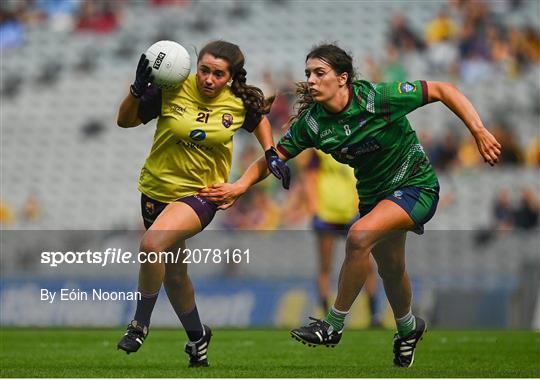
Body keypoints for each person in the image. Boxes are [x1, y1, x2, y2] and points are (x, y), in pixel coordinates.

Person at [198, 44, 501, 368]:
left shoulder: (376, 99)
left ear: (343, 78)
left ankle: (333, 324)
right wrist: (240, 185)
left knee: (358, 236)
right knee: (391, 269)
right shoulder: (313, 124)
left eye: (319, 73)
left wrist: (478, 130)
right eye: (308, 74)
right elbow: (275, 157)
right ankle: (408, 328)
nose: (311, 80)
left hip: (415, 185)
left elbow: (443, 89)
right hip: (374, 197)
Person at [115, 40, 290, 367]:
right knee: (176, 276)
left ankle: (139, 324)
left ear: (231, 77)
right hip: (155, 192)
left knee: (152, 246)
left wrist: (269, 153)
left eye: (218, 74)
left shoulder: (239, 102)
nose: (209, 79)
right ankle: (198, 339)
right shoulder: (170, 89)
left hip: (201, 195)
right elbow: (124, 121)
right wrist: (136, 91)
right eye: (204, 70)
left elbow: (261, 122)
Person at [303, 149, 378, 324]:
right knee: (325, 266)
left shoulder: (359, 143)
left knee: (368, 264)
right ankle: (325, 316)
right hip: (326, 214)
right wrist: (314, 208)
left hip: (352, 213)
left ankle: (373, 315)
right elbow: (309, 178)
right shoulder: (320, 150)